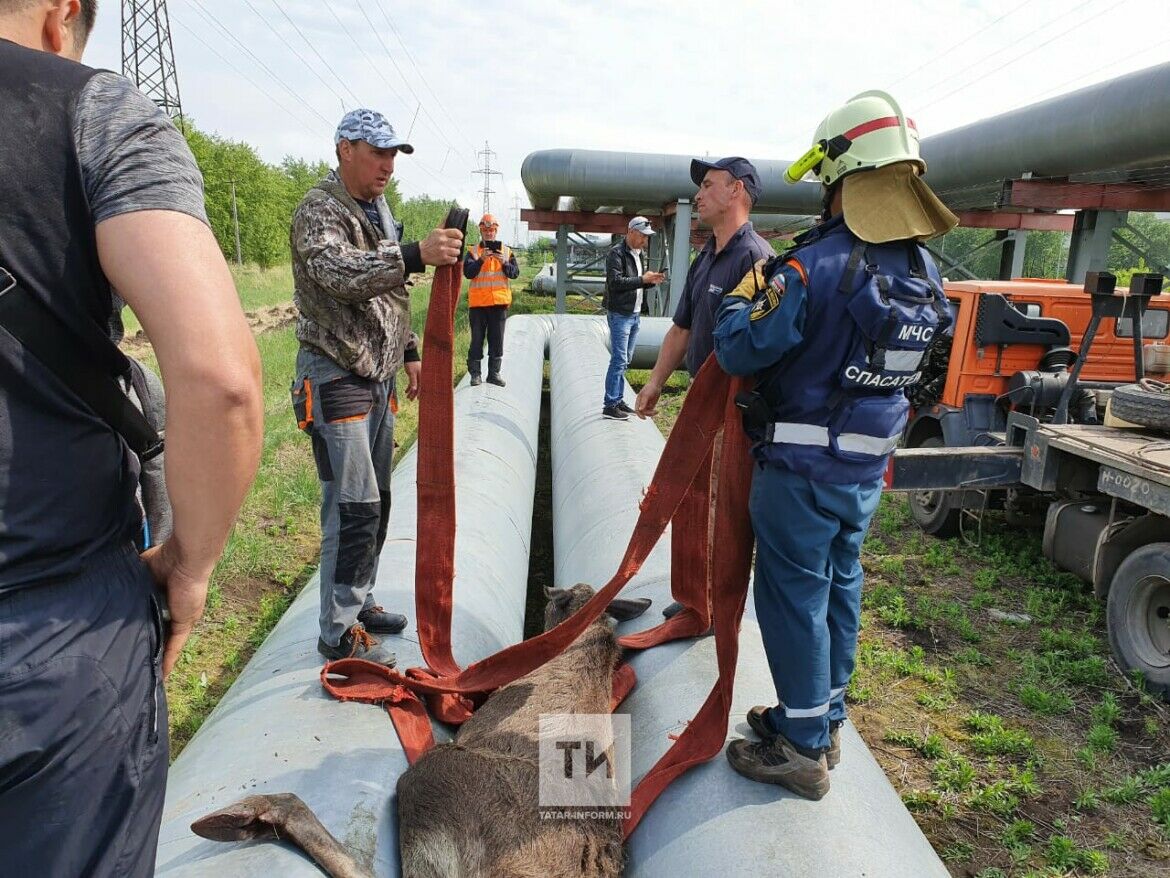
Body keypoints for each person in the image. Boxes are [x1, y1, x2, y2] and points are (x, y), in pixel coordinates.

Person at [0, 1, 265, 874]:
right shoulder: (85, 110)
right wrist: (187, 568)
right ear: (62, 15)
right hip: (48, 635)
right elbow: (222, 381)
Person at [713, 91, 957, 800]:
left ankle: (801, 747)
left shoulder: (810, 268)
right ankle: (822, 716)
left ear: (842, 176)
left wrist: (738, 298)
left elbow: (740, 348)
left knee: (794, 597)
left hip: (800, 467)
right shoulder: (923, 272)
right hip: (864, 467)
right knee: (841, 587)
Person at [290, 107, 462, 668]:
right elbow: (340, 275)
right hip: (336, 373)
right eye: (378, 152)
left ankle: (358, 602)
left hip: (377, 375)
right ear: (345, 149)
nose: (388, 165)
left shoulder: (378, 206)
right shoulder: (320, 210)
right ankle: (337, 634)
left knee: (378, 500)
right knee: (352, 505)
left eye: (394, 155)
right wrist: (415, 253)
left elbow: (391, 293)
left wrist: (409, 353)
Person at [634, 156, 772, 617]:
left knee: (722, 505)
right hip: (700, 401)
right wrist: (655, 383)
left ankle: (716, 602)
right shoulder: (707, 256)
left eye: (708, 185)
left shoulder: (756, 259)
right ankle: (696, 595)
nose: (698, 195)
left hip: (733, 406)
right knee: (693, 498)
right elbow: (682, 329)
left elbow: (763, 347)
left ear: (737, 191)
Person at [601, 216, 665, 420]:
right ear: (631, 232)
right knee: (619, 359)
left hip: (634, 313)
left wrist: (650, 281)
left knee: (626, 360)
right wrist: (641, 279)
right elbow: (615, 283)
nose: (645, 241)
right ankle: (610, 404)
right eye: (643, 237)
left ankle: (618, 400)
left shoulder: (638, 254)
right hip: (620, 313)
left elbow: (635, 283)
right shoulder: (616, 254)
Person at [463, 213, 519, 386]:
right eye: (485, 230)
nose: (489, 233)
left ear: (496, 231)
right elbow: (468, 273)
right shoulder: (473, 252)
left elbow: (515, 274)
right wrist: (481, 260)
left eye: (491, 230)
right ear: (481, 231)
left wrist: (505, 263)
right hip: (479, 305)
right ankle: (475, 374)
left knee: (497, 341)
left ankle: (493, 374)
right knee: (477, 340)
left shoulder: (506, 251)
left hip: (499, 304)